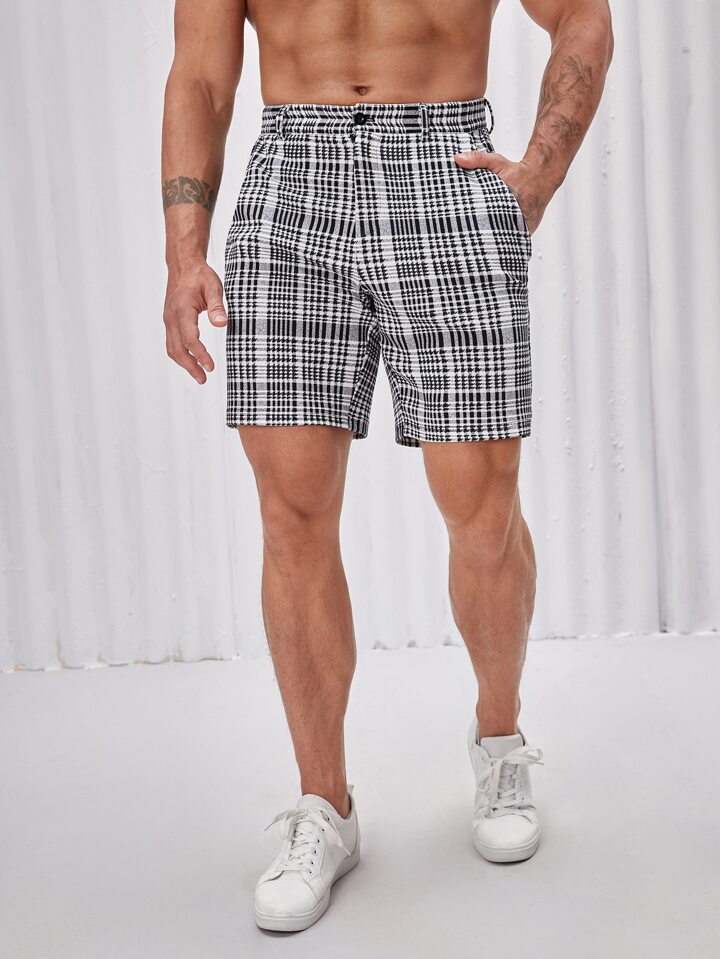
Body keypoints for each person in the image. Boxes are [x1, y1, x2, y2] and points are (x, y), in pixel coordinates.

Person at [161, 0, 614, 933]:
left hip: (446, 170)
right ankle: (324, 804)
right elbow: (202, 75)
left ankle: (499, 739)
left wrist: (537, 173)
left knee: (481, 508)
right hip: (292, 186)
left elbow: (582, 15)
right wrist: (184, 254)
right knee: (290, 514)